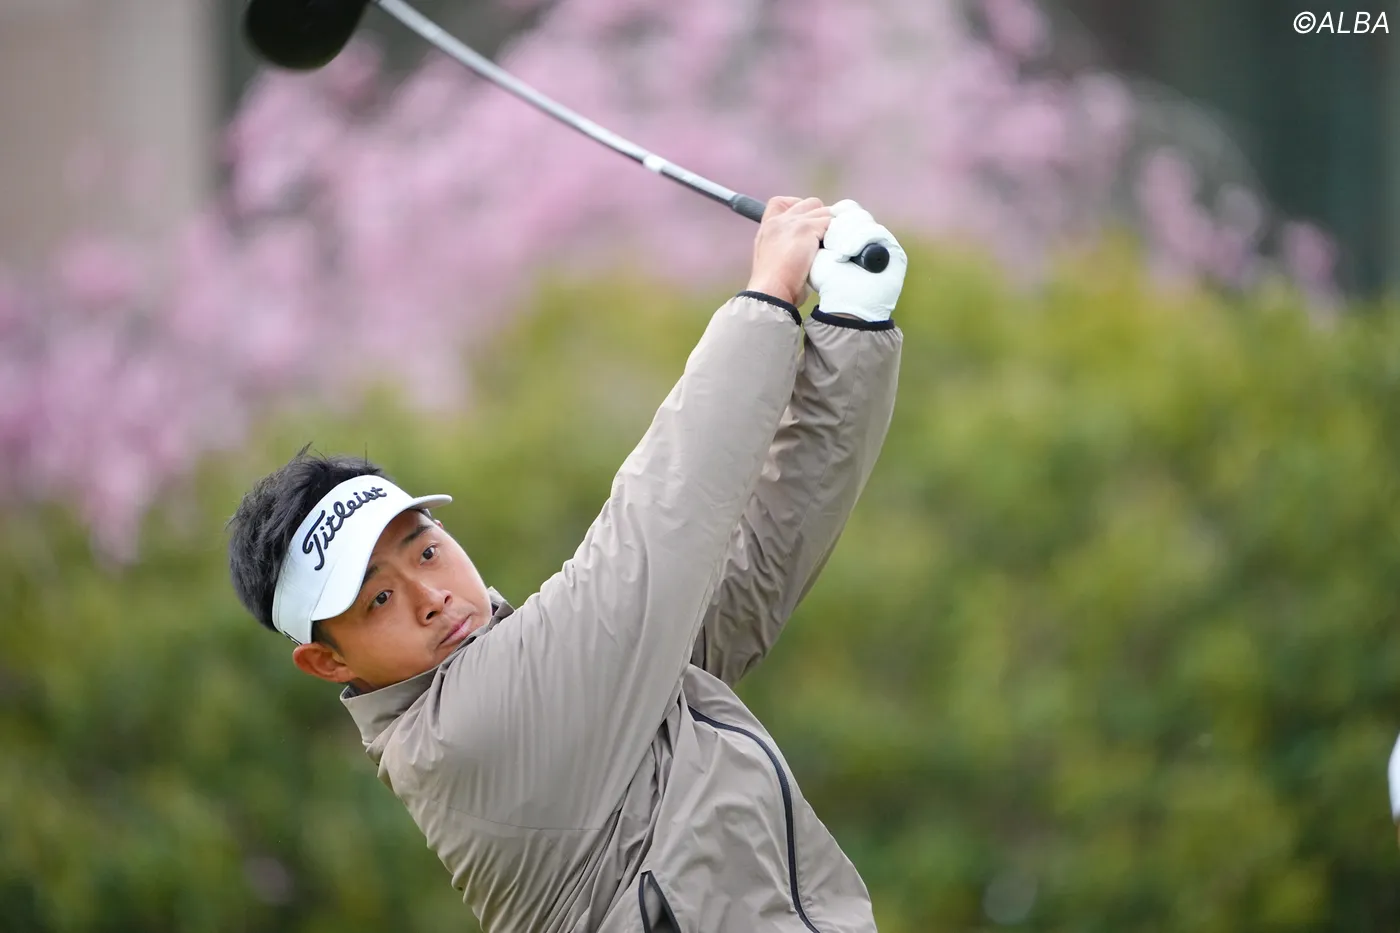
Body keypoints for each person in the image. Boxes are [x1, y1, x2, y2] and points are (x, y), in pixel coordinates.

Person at [227, 196, 907, 932]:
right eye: (378, 600)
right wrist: (768, 294)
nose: (430, 596)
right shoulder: (466, 734)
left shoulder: (586, 685)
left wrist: (853, 332)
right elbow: (658, 527)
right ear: (327, 661)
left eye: (425, 550)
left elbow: (751, 573)